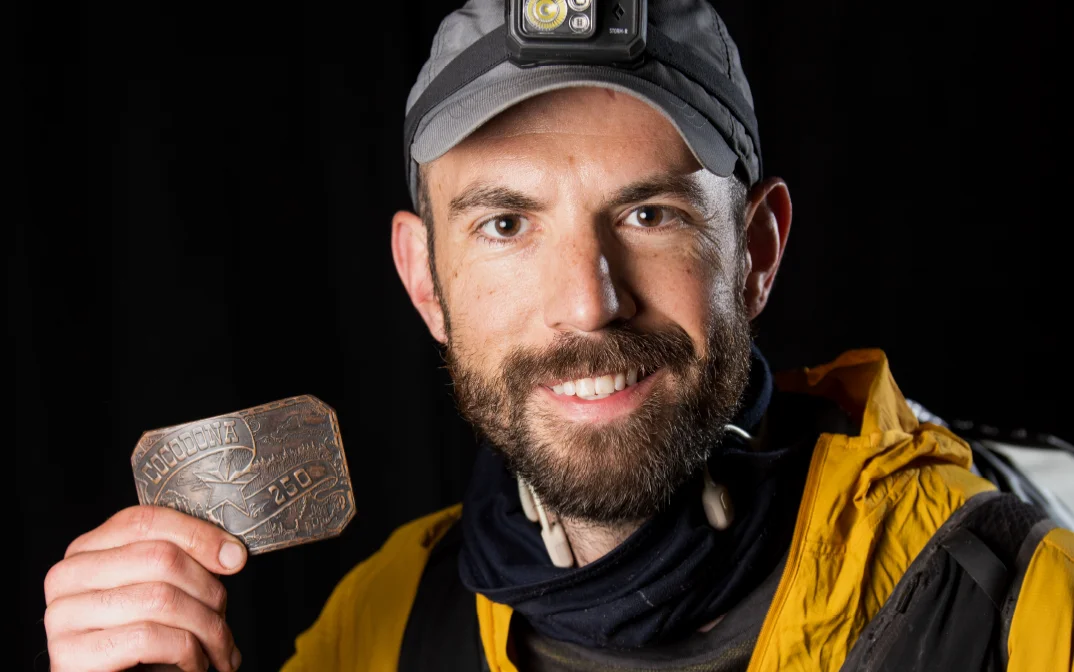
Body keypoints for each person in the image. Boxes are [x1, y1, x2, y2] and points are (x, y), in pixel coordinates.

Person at [42, 1, 1074, 670]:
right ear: (425, 281)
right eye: (505, 224)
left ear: (755, 252)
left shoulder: (1017, 606)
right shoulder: (383, 625)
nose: (587, 305)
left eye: (648, 215)